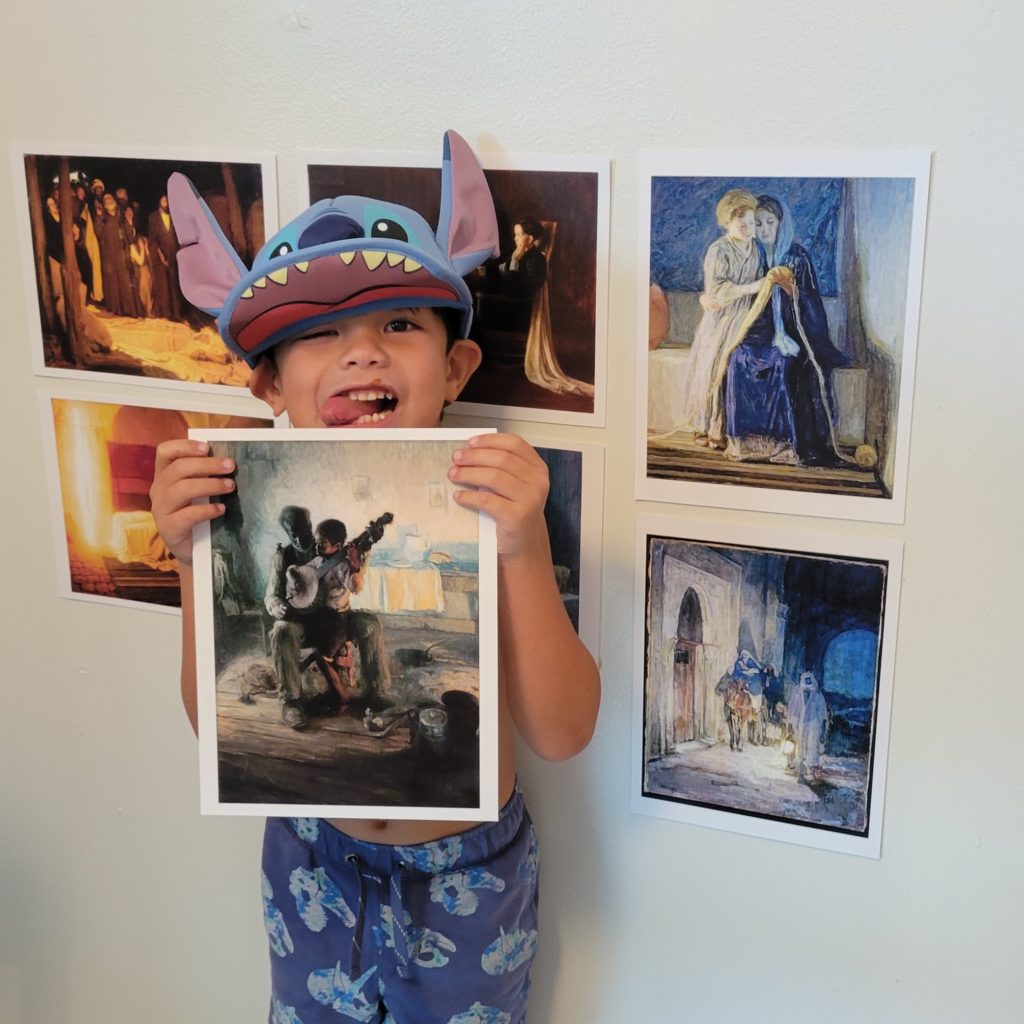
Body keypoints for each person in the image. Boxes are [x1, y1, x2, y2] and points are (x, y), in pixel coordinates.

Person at [149, 131, 600, 1024]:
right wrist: (188, 554)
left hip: (467, 873)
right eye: (318, 334)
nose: (362, 353)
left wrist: (520, 546)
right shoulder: (242, 506)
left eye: (399, 325)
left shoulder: (493, 498)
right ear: (269, 385)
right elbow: (215, 728)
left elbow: (562, 731)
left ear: (456, 366)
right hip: (311, 859)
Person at [680, 189, 781, 447]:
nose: (748, 229)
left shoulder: (756, 249)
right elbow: (717, 291)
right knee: (714, 368)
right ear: (727, 223)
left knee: (735, 370)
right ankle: (707, 428)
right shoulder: (719, 250)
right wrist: (752, 287)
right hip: (722, 320)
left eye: (751, 223)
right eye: (741, 224)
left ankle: (726, 429)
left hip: (746, 318)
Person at [753, 195, 848, 465]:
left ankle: (811, 446)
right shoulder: (752, 256)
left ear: (781, 224)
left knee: (806, 368)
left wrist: (791, 290)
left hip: (798, 334)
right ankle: (765, 443)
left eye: (770, 222)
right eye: (758, 223)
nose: (764, 230)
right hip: (763, 335)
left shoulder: (796, 256)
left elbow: (812, 305)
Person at [786, 672, 829, 781]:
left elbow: (823, 713)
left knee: (812, 745)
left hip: (813, 724)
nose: (807, 683)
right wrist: (790, 724)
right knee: (799, 745)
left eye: (809, 681)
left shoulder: (818, 695)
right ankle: (800, 770)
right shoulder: (796, 693)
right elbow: (791, 708)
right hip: (799, 723)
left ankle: (811, 771)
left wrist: (823, 729)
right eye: (806, 681)